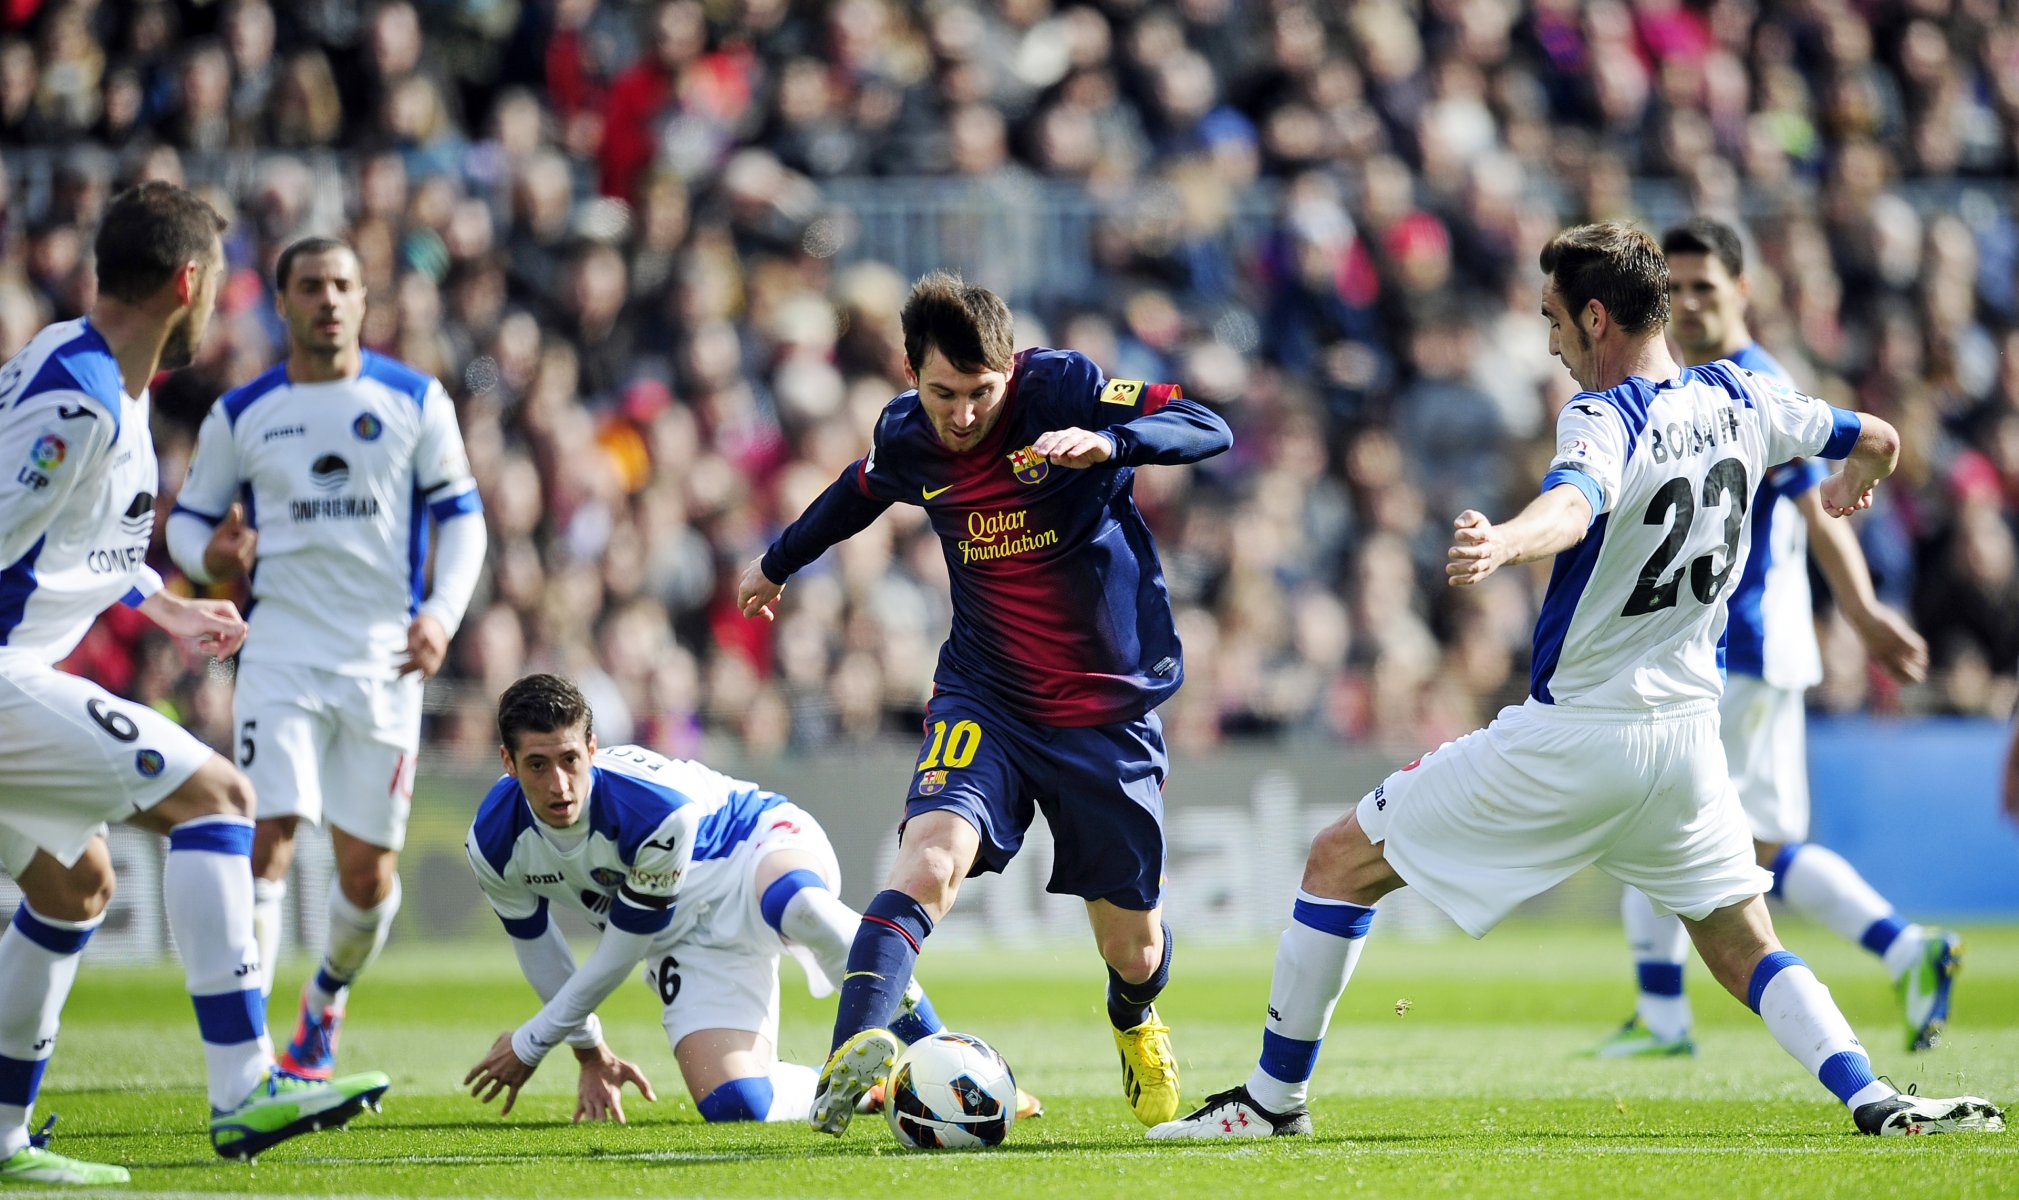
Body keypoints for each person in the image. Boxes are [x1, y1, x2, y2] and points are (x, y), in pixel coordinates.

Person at [1149, 223, 2005, 1141]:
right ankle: (1874, 1099)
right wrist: (1856, 481)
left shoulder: (1605, 416)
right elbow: (1872, 434)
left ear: (1595, 317)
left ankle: (1272, 1103)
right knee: (1742, 941)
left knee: (1337, 862)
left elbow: (1574, 501)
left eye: (1554, 318)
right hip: (1685, 743)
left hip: (1581, 734)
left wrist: (1504, 541)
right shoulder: (1748, 395)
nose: (1550, 341)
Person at [735, 271, 1232, 1134]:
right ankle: (845, 1063)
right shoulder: (906, 433)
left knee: (1136, 950)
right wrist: (777, 562)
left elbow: (1205, 424)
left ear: (1010, 368)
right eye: (941, 393)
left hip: (1101, 709)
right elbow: (859, 491)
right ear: (907, 372)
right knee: (928, 862)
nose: (960, 415)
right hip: (985, 694)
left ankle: (1132, 1018)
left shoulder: (1067, 387)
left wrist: (1109, 445)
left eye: (979, 394)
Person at [0, 184, 389, 1185]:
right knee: (218, 796)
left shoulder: (93, 376)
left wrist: (165, 606)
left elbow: (69, 540)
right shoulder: (77, 399)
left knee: (75, 881)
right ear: (188, 282)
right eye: (218, 286)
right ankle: (245, 1085)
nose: (220, 307)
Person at [1590, 218, 1956, 1060]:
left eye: (1704, 288)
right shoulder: (1699, 381)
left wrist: (1861, 614)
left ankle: (1666, 1016)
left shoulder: (1755, 382)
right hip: (1732, 647)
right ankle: (1902, 948)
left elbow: (1815, 507)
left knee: (1676, 826)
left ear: (1742, 291)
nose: (1686, 303)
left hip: (1741, 645)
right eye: (1673, 289)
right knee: (1733, 841)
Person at [166, 236, 486, 1080]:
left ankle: (326, 997)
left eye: (343, 285)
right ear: (283, 302)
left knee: (368, 878)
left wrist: (443, 614)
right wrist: (216, 558)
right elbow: (188, 522)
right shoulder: (243, 411)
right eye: (310, 287)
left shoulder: (416, 400)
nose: (328, 301)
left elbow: (464, 518)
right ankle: (255, 1056)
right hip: (280, 652)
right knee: (264, 836)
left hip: (384, 662)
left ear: (364, 298)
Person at [459, 674, 1039, 1125]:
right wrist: (588, 1051)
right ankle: (874, 1090)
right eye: (537, 765)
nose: (559, 784)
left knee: (798, 905)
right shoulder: (493, 843)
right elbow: (540, 950)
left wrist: (534, 1040)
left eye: (570, 761)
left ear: (591, 746)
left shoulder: (653, 808)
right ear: (508, 764)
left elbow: (622, 946)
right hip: (683, 940)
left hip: (751, 847)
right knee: (735, 1103)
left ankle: (960, 1073)